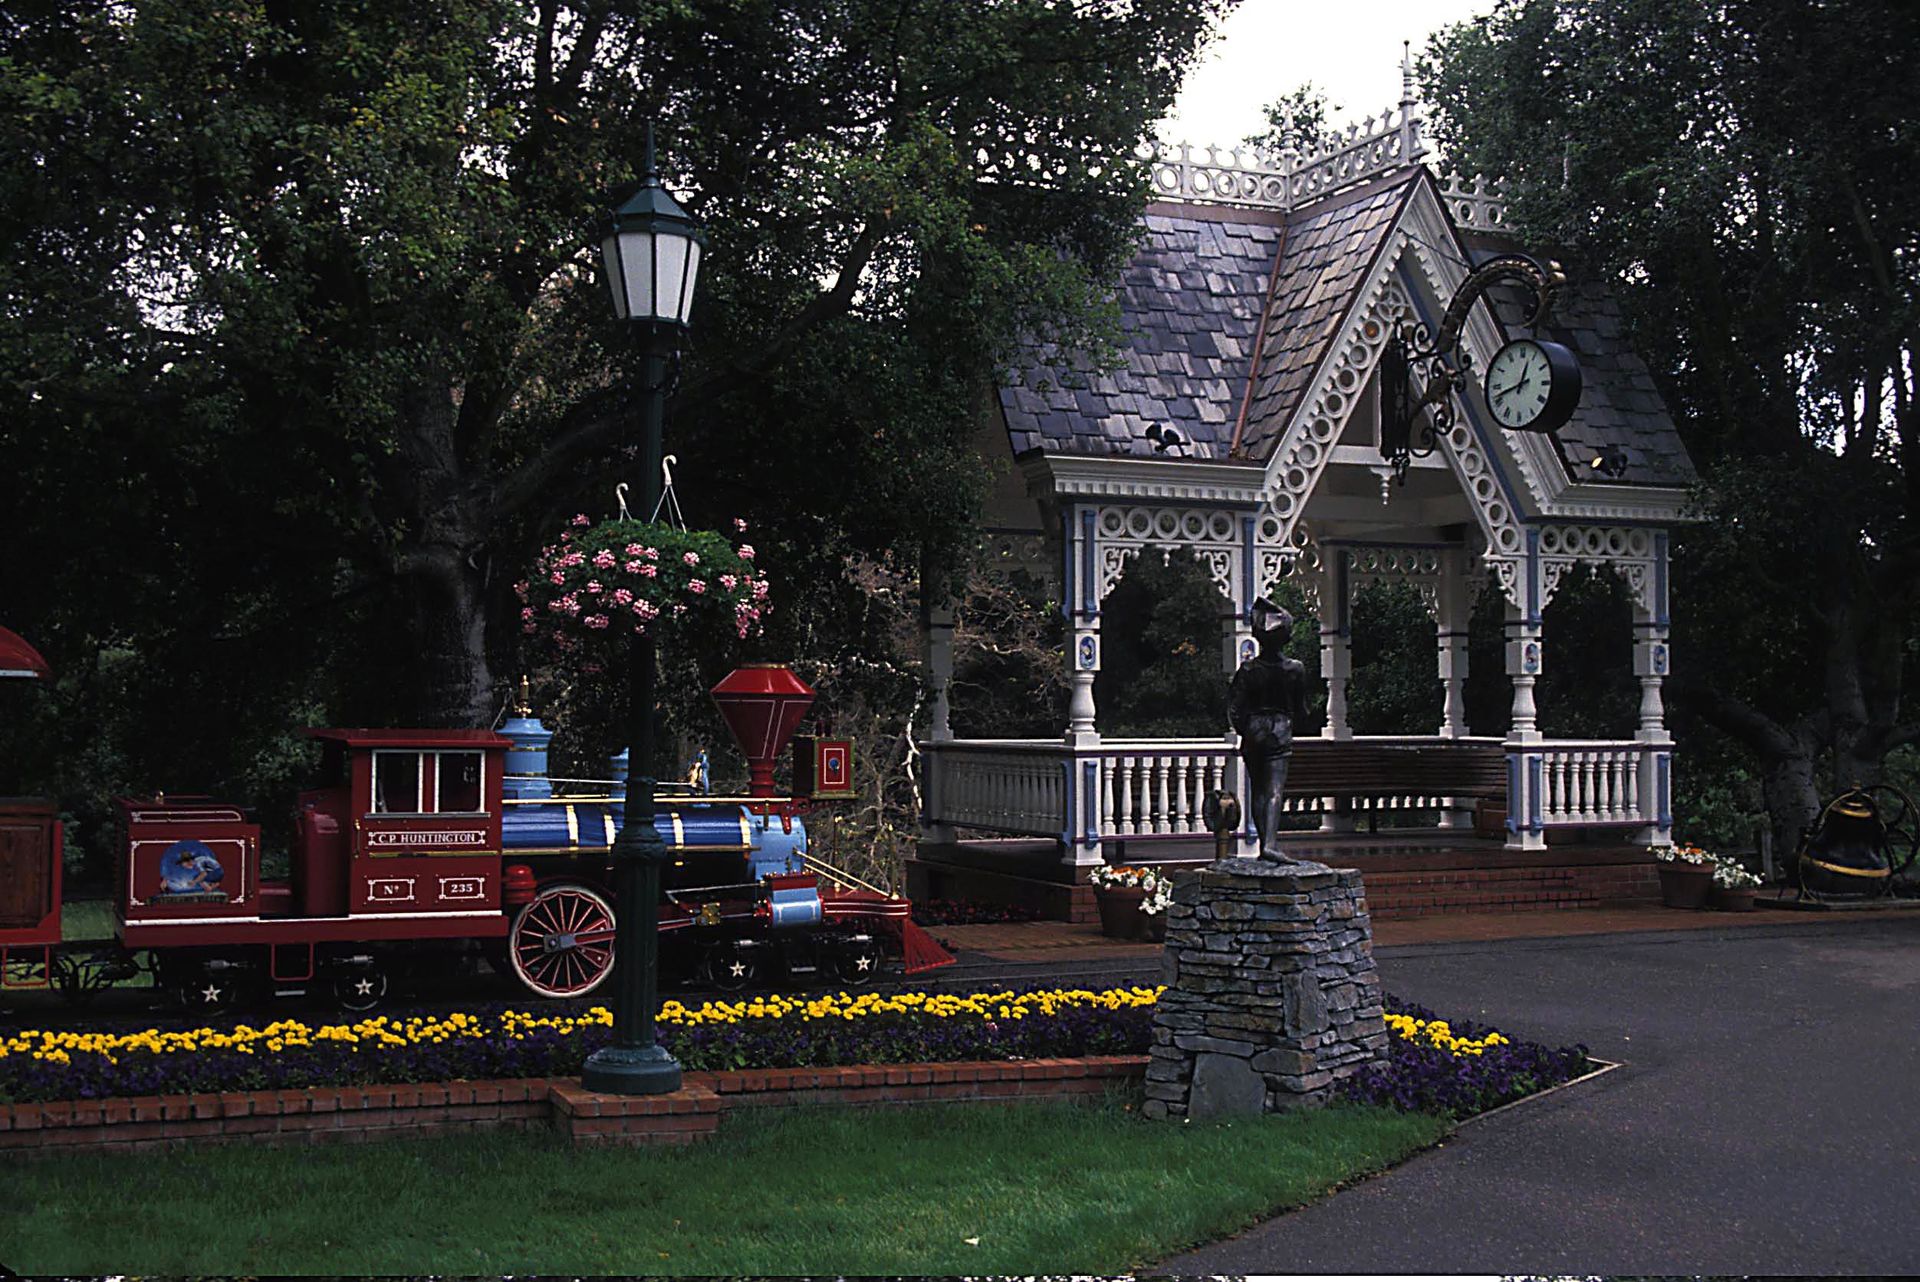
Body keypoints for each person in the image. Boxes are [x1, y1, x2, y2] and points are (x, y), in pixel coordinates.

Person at [1228, 597, 1308, 862]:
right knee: (1274, 789)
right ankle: (1270, 844)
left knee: (1258, 789)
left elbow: (1235, 708)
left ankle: (1265, 842)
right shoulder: (1294, 669)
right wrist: (1289, 723)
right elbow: (1301, 708)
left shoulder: (1248, 670)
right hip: (1280, 729)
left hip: (1254, 731)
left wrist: (1248, 729)